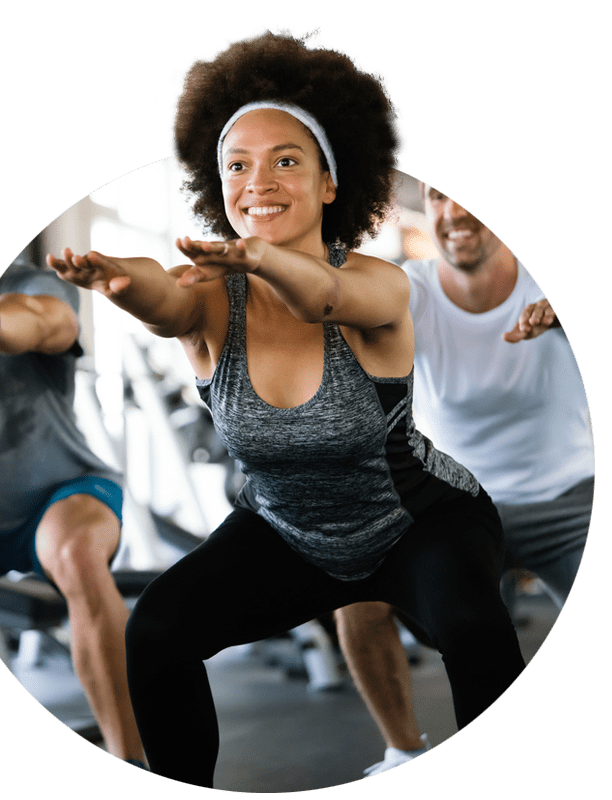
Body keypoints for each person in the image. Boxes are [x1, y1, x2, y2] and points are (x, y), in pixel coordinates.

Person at [47, 30, 525, 789]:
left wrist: (267, 258)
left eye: (285, 160)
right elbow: (163, 295)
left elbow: (329, 296)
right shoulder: (209, 292)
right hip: (285, 530)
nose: (256, 181)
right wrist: (114, 280)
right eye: (237, 165)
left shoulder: (379, 283)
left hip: (418, 520)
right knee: (159, 630)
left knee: (472, 626)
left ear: (330, 184)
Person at [334, 181, 595, 775]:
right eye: (438, 195)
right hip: (457, 503)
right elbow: (337, 301)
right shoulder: (410, 290)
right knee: (356, 591)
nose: (455, 212)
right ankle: (402, 752)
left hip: (569, 501)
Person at [0, 256, 146, 769]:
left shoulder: (29, 281)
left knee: (76, 555)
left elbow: (46, 321)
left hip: (65, 495)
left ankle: (132, 762)